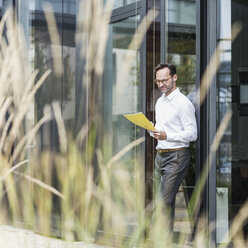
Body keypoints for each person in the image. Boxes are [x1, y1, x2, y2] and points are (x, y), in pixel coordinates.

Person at [150, 63, 197, 232]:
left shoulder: (183, 103)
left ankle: (152, 241)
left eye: (164, 80)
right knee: (164, 201)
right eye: (158, 81)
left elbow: (192, 134)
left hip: (177, 156)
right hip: (160, 155)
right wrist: (153, 130)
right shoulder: (160, 102)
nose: (161, 84)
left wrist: (167, 135)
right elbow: (161, 130)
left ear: (174, 77)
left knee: (162, 201)